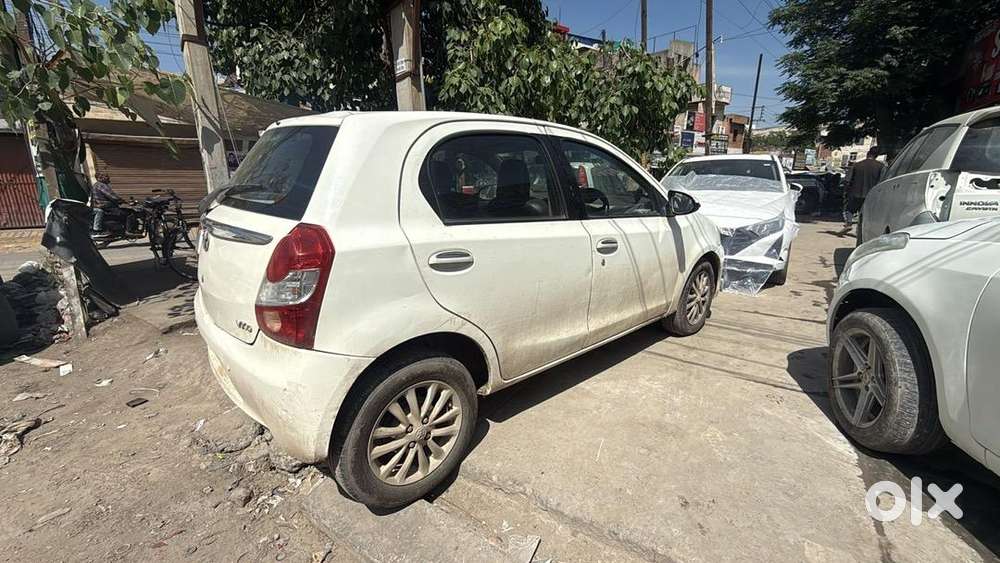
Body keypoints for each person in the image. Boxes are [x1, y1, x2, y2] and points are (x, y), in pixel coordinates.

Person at [843, 146, 885, 227]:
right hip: (872, 195)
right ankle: (862, 228)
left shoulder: (857, 165)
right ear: (877, 156)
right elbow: (882, 181)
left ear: (868, 153)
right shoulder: (881, 166)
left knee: (849, 209)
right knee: (867, 213)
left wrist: (846, 191)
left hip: (855, 193)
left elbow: (847, 180)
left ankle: (848, 223)